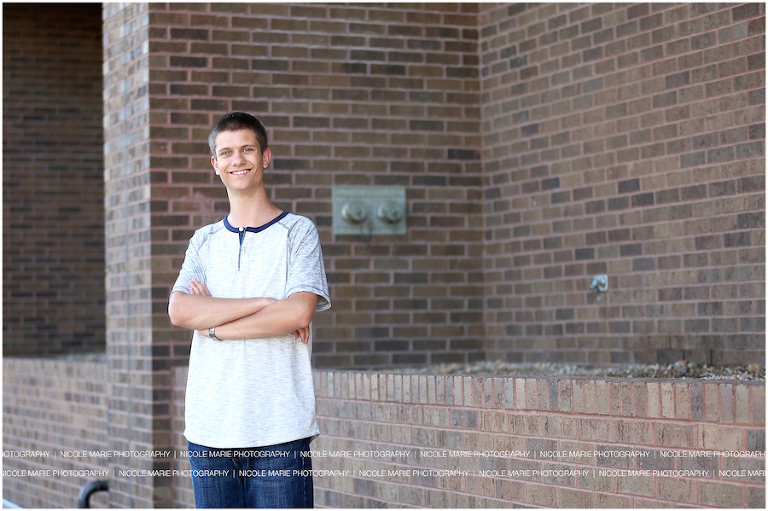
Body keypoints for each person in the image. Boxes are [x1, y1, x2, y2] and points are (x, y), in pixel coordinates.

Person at [168, 111, 331, 508]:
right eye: (226, 152)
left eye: (247, 150)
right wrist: (263, 304)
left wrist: (213, 326)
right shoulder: (203, 241)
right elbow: (180, 311)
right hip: (209, 433)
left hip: (279, 431)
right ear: (215, 165)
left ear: (265, 156)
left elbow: (297, 314)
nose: (236, 160)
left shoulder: (298, 232)